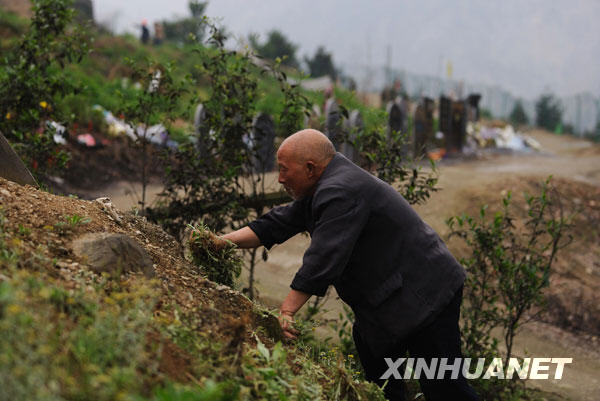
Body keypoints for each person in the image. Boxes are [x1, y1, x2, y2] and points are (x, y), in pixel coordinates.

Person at [220, 129, 479, 401]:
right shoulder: (322, 184)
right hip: (386, 303)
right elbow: (276, 223)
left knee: (445, 388)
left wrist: (287, 309)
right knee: (381, 384)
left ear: (310, 168)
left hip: (426, 296)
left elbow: (325, 255)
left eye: (284, 170)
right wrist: (220, 242)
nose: (280, 178)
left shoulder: (340, 190)